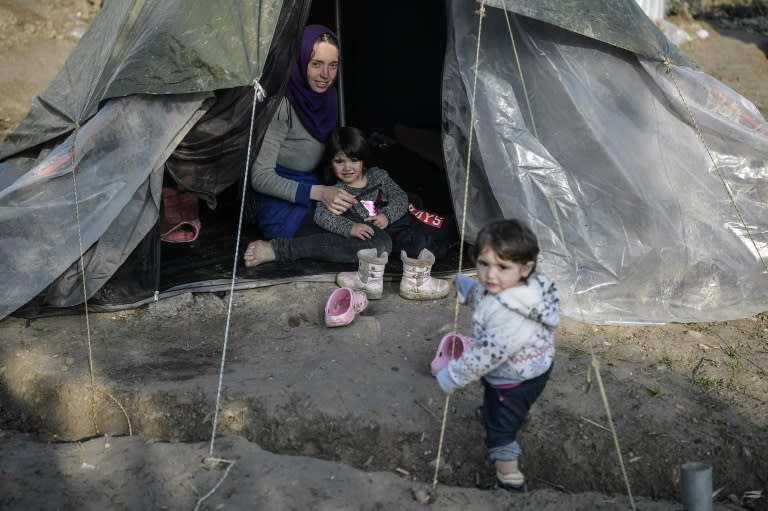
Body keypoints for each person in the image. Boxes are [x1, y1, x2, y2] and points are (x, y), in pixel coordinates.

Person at [245, 126, 450, 301]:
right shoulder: (336, 192)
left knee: (444, 227)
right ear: (330, 164)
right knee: (417, 246)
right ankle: (420, 269)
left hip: (398, 218)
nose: (347, 167)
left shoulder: (379, 175)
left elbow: (400, 197)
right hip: (391, 236)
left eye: (354, 160)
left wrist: (387, 215)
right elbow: (322, 217)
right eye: (339, 161)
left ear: (363, 160)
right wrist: (349, 227)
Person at [433, 219, 560, 491]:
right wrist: (467, 289)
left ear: (525, 268)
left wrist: (452, 376)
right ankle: (513, 412)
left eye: (502, 267)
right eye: (483, 264)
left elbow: (484, 356)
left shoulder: (512, 317)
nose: (491, 274)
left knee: (499, 433)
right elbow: (487, 294)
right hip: (535, 366)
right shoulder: (519, 287)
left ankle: (510, 482)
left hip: (511, 377)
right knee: (506, 401)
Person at [242, 24, 356, 243]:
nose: (325, 75)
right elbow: (260, 177)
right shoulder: (282, 105)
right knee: (350, 238)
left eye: (333, 65)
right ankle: (276, 251)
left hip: (319, 187)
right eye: (316, 64)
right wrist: (319, 193)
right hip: (282, 201)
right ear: (301, 61)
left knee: (379, 212)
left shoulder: (330, 97)